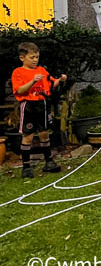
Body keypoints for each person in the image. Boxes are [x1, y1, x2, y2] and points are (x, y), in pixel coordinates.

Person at [11, 42, 67, 178]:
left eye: (37, 57)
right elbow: (19, 90)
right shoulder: (18, 72)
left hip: (42, 104)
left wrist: (60, 80)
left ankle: (49, 162)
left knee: (44, 133)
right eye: (32, 57)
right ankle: (26, 167)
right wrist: (32, 82)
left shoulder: (41, 70)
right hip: (28, 105)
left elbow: (52, 83)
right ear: (22, 58)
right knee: (28, 136)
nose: (35, 60)